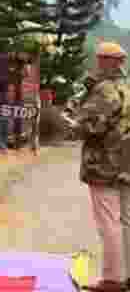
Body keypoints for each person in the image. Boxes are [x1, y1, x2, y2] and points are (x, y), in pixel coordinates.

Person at [70, 41, 130, 292]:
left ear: (109, 61)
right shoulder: (126, 88)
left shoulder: (104, 90)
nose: (97, 63)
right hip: (126, 162)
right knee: (127, 220)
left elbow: (91, 127)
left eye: (101, 59)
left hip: (105, 164)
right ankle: (127, 275)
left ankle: (113, 279)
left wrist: (72, 123)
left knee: (109, 223)